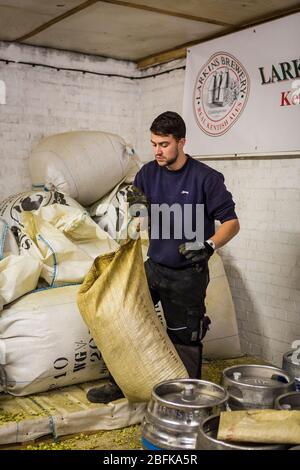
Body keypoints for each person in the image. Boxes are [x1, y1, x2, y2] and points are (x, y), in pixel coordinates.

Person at [87, 111, 239, 403]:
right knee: (122, 317)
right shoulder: (147, 172)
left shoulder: (206, 178)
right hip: (154, 267)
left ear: (182, 142)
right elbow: (138, 207)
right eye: (154, 143)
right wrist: (136, 209)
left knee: (184, 337)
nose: (157, 150)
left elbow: (232, 223)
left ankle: (185, 396)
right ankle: (118, 383)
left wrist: (208, 246)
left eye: (164, 144)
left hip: (187, 274)